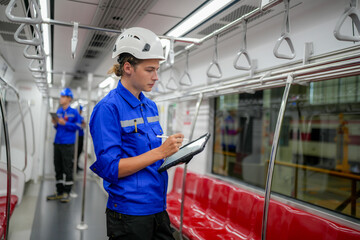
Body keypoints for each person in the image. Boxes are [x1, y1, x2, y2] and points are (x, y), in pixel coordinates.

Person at [89, 27, 184, 240]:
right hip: (129, 213)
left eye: (157, 69)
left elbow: (149, 154)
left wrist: (172, 153)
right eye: (150, 69)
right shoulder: (108, 108)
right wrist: (160, 152)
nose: (156, 76)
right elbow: (111, 168)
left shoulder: (150, 107)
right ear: (128, 67)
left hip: (157, 206)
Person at [47, 88, 81, 203]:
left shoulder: (74, 112)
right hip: (58, 142)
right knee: (58, 168)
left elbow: (78, 126)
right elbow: (57, 127)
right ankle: (59, 191)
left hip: (68, 144)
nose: (61, 98)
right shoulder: (59, 111)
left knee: (67, 168)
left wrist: (65, 123)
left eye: (63, 96)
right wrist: (56, 123)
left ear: (69, 99)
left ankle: (67, 192)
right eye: (61, 96)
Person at [76, 105, 85, 172]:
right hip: (76, 137)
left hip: (81, 136)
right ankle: (74, 166)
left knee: (79, 150)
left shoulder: (81, 117)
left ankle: (76, 165)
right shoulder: (76, 117)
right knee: (76, 151)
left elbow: (83, 125)